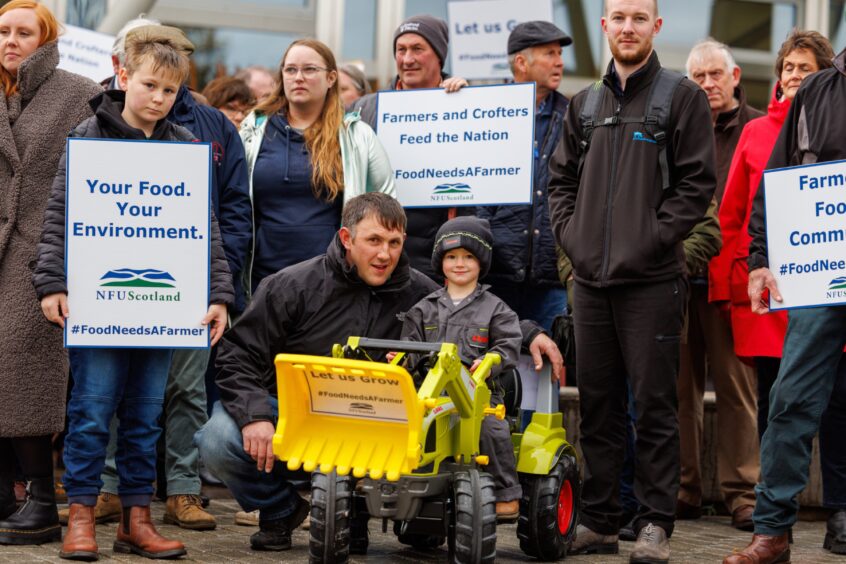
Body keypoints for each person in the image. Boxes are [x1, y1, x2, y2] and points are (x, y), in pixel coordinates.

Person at [195, 193, 564, 552]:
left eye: (394, 242)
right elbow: (238, 354)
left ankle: (395, 516)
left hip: (380, 422)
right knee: (218, 438)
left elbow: (470, 310)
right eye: (373, 240)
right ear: (346, 238)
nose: (384, 254)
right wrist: (256, 415)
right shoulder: (291, 285)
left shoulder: (419, 294)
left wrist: (531, 332)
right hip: (304, 415)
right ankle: (281, 510)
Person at [32, 29, 234, 560]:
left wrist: (218, 294)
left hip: (163, 313)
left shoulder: (186, 147)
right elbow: (59, 216)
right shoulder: (88, 135)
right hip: (97, 308)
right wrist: (51, 283)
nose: (159, 98)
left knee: (146, 414)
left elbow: (205, 230)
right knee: (92, 410)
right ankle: (81, 517)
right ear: (125, 77)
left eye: (170, 91)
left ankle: (135, 519)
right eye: (150, 85)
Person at [547, 0, 715, 561]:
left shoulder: (680, 97)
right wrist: (574, 239)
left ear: (655, 27)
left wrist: (649, 240)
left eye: (638, 18)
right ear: (604, 26)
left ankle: (654, 524)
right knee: (597, 405)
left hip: (652, 282)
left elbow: (696, 187)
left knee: (654, 406)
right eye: (618, 17)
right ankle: (598, 520)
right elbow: (560, 183)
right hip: (591, 283)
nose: (627, 27)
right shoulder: (584, 104)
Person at [78, 20, 252, 534]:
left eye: (174, 62)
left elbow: (228, 214)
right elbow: (68, 214)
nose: (159, 89)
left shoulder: (212, 127)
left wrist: (217, 282)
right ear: (128, 66)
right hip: (111, 290)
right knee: (106, 397)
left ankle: (183, 490)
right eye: (151, 69)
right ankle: (106, 494)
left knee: (184, 392)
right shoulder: (96, 126)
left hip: (189, 289)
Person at [722, 41, 846, 564]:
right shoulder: (817, 90)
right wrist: (758, 260)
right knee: (791, 399)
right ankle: (771, 534)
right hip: (819, 277)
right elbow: (778, 184)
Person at [0, 0, 102, 546]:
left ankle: (42, 497)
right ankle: (3, 492)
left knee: (25, 371)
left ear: (46, 39)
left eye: (23, 33)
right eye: (3, 32)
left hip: (42, 254)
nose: (11, 41)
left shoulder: (75, 91)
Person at [677, 38, 762, 531]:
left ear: (734, 77)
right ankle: (684, 490)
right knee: (679, 390)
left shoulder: (755, 128)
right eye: (698, 76)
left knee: (735, 389)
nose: (707, 83)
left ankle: (742, 493)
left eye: (715, 74)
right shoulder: (679, 127)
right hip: (681, 274)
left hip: (731, 278)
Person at [240, 38, 394, 294]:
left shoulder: (355, 135)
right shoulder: (253, 130)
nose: (298, 77)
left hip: (331, 285)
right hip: (262, 282)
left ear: (331, 77)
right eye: (290, 70)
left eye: (309, 69)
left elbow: (386, 205)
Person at [401, 217, 523, 519]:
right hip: (428, 398)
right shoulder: (422, 308)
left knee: (493, 429)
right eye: (452, 256)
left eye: (469, 257)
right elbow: (409, 347)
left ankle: (506, 492)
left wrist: (492, 359)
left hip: (478, 398)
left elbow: (508, 344)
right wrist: (401, 358)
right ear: (440, 262)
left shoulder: (496, 308)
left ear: (481, 263)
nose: (460, 263)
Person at [351, 15, 468, 282]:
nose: (407, 59)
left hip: (436, 260)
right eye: (401, 50)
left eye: (417, 49)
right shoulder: (363, 109)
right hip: (377, 256)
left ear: (439, 56)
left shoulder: (465, 106)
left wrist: (465, 106)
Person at [473, 20, 572, 331]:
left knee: (547, 372)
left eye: (559, 54)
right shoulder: (484, 110)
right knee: (491, 370)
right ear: (521, 62)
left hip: (550, 276)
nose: (559, 62)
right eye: (549, 54)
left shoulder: (574, 116)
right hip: (495, 274)